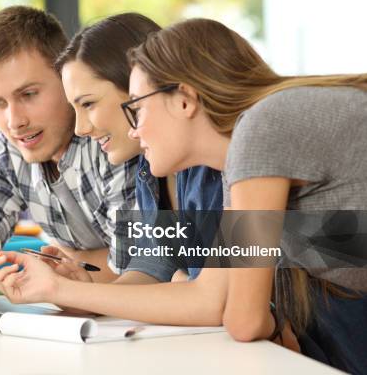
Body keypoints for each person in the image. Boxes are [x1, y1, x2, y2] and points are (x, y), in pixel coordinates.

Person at [124, 18, 367, 373]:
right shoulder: (240, 165)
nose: (133, 131)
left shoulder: (261, 128)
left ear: (184, 99)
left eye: (137, 108)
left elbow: (243, 320)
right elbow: (211, 296)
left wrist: (260, 312)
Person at [0, 14, 228, 325]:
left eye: (88, 103)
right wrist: (71, 291)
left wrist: (68, 290)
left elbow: (227, 308)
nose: (80, 128)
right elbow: (150, 271)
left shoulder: (241, 162)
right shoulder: (152, 174)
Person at [0, 5, 138, 302]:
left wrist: (62, 270)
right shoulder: (5, 148)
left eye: (29, 94)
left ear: (67, 77)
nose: (14, 121)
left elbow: (138, 264)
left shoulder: (113, 137)